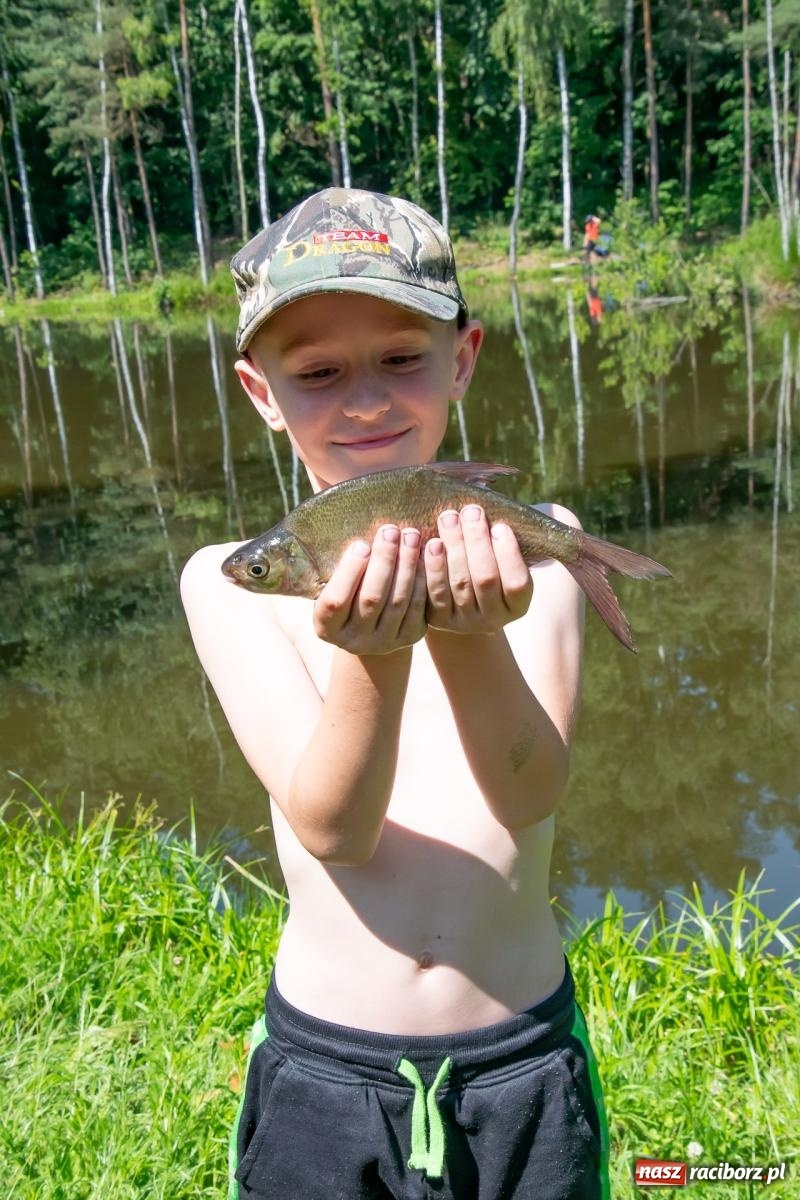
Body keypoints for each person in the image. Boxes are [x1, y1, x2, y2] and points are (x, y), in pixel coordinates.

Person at [180, 187, 610, 1200]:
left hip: (523, 1060)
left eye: (400, 359)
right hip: (327, 1068)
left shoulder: (533, 542)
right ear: (259, 391)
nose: (363, 400)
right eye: (318, 373)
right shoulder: (225, 580)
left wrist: (466, 632)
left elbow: (526, 791)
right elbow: (333, 827)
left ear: (459, 359)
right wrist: (371, 656)